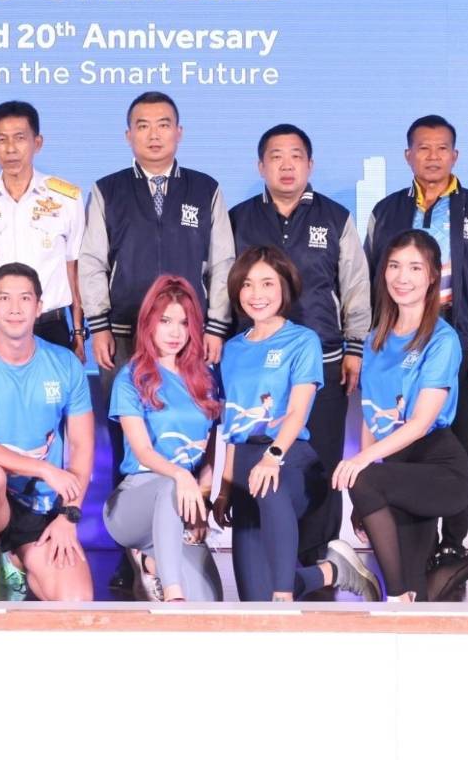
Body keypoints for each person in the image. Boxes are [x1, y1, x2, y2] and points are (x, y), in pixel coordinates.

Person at [80, 91, 235, 590]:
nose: (153, 134)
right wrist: (99, 325)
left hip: (189, 338)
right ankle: (133, 559)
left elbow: (224, 263)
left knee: (195, 432)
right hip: (126, 335)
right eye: (143, 125)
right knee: (129, 445)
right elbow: (93, 262)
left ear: (179, 132)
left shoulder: (205, 190)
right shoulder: (108, 190)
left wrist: (214, 327)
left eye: (163, 124)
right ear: (128, 135)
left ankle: (185, 531)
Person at [334, 230, 468, 603]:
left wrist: (362, 467)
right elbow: (371, 417)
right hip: (398, 471)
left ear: (433, 275)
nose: (402, 277)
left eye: (414, 268)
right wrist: (366, 489)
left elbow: (420, 424)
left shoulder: (442, 340)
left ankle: (395, 600)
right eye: (394, 266)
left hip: (440, 469)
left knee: (399, 590)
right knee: (421, 593)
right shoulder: (373, 341)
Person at [365, 115, 468, 575]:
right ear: (407, 155)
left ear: (455, 155)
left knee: (456, 442)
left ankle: (453, 542)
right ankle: (412, 537)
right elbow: (372, 279)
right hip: (398, 337)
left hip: (458, 340)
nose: (433, 157)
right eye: (423, 148)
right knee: (400, 434)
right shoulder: (386, 211)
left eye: (442, 148)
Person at [228, 123, 369, 567]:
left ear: (310, 164)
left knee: (318, 461)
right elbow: (223, 286)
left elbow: (355, 287)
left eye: (295, 156)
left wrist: (355, 348)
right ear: (261, 166)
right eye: (276, 156)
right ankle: (270, 553)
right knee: (261, 454)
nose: (286, 165)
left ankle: (318, 557)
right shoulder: (238, 219)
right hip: (258, 365)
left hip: (323, 359)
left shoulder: (335, 218)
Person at [215, 247, 382, 602]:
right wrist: (226, 488)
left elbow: (297, 412)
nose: (256, 294)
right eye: (247, 284)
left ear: (285, 288)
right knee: (254, 601)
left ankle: (284, 598)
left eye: (267, 283)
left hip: (289, 459)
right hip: (245, 466)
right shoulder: (231, 350)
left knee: (269, 489)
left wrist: (272, 456)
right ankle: (333, 571)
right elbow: (231, 425)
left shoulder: (302, 340)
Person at [0, 263, 94, 602]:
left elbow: (82, 446)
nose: (15, 308)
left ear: (39, 307)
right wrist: (44, 468)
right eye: (4, 298)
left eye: (25, 298)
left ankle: (12, 559)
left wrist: (69, 515)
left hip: (43, 507)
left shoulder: (65, 364)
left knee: (76, 601)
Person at [102, 276, 224, 602]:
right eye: (165, 321)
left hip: (181, 504)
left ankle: (150, 563)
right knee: (169, 485)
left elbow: (210, 451)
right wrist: (182, 476)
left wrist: (202, 501)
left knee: (209, 602)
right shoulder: (131, 378)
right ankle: (173, 596)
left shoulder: (205, 379)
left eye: (184, 323)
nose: (175, 332)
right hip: (133, 503)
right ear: (149, 323)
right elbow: (142, 451)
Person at [0, 100, 85, 356]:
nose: (11, 149)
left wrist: (78, 331)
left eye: (20, 138)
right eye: (2, 140)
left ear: (37, 142)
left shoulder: (67, 200)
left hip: (49, 326)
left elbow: (74, 269)